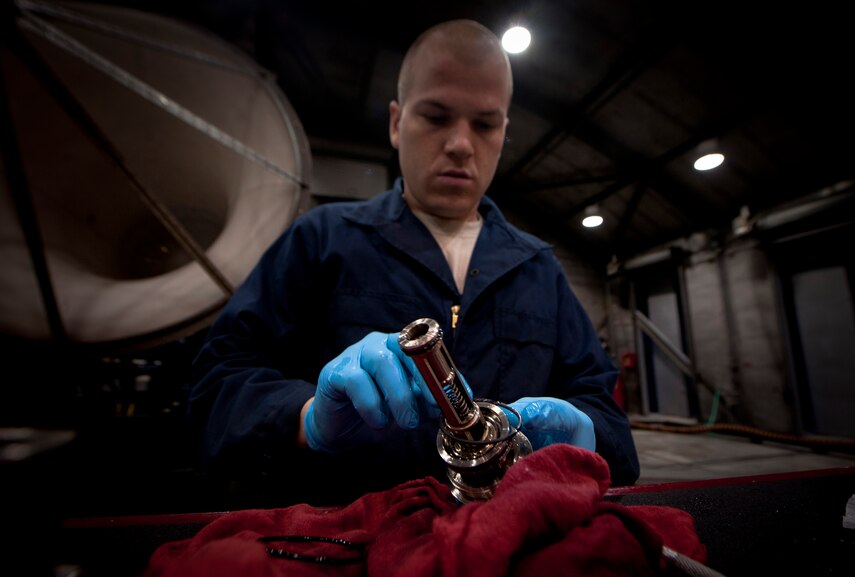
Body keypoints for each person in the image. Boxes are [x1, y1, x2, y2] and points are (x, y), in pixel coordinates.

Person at [188, 19, 639, 507]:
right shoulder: (322, 239)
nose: (461, 144)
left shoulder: (538, 268)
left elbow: (610, 421)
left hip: (509, 543)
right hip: (347, 543)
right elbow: (214, 389)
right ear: (397, 123)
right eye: (436, 116)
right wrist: (306, 417)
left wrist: (587, 433)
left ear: (504, 133)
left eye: (485, 124)